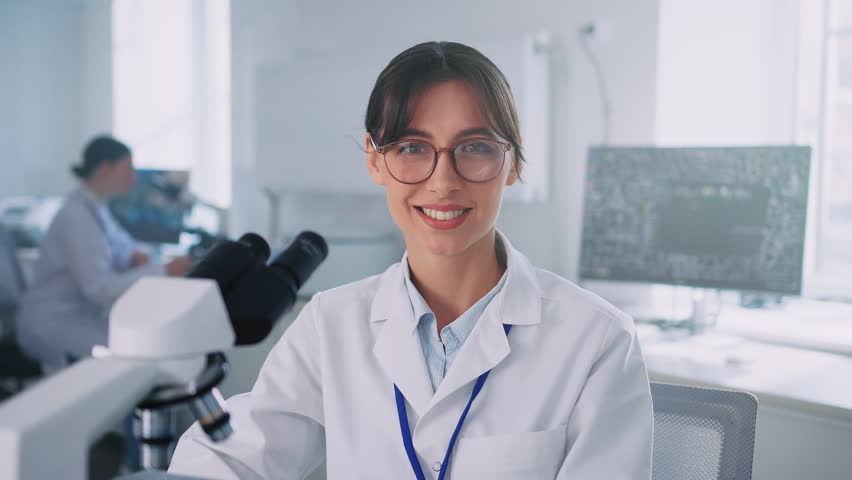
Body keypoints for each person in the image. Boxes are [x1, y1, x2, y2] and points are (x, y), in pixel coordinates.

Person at [169, 41, 653, 479]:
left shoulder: (597, 339)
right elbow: (234, 456)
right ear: (375, 160)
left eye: (476, 147)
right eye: (412, 148)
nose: (443, 181)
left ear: (514, 164)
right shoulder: (330, 324)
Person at [15, 135, 192, 374]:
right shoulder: (76, 217)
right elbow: (98, 289)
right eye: (127, 168)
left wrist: (134, 255)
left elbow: (124, 245)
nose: (134, 177)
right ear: (104, 169)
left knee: (139, 346)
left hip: (77, 316)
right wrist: (163, 270)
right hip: (52, 324)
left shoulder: (96, 208)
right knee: (130, 357)